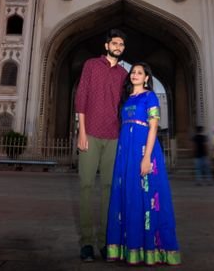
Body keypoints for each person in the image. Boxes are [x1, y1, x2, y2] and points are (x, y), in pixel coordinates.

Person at [105, 62, 181, 265]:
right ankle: (128, 248)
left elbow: (153, 128)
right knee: (126, 196)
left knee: (146, 197)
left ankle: (150, 249)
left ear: (147, 77)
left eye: (140, 72)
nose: (135, 75)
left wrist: (146, 157)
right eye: (133, 72)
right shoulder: (127, 99)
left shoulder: (150, 97)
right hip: (125, 152)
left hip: (143, 150)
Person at [75, 29, 129, 263]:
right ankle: (87, 242)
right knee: (87, 186)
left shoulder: (123, 73)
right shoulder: (91, 65)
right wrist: (81, 132)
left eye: (121, 44)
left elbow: (127, 104)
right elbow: (82, 96)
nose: (118, 47)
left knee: (109, 188)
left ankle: (106, 242)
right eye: (115, 43)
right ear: (107, 44)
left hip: (114, 136)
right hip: (91, 134)